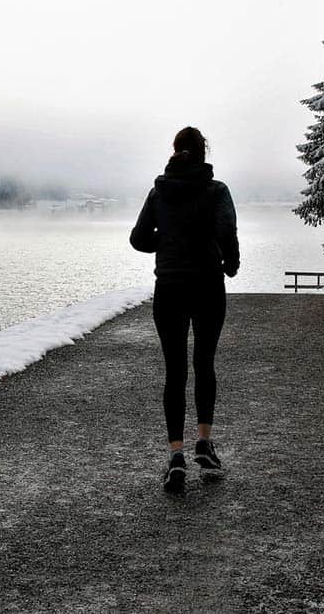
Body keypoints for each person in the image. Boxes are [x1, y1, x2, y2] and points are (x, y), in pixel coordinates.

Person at [130, 126, 239, 492]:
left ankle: (176, 456)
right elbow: (227, 231)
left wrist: (170, 238)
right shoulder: (217, 190)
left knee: (174, 371)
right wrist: (230, 263)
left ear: (175, 151)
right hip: (208, 285)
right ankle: (204, 445)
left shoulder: (159, 191)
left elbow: (139, 239)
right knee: (204, 363)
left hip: (170, 288)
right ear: (203, 153)